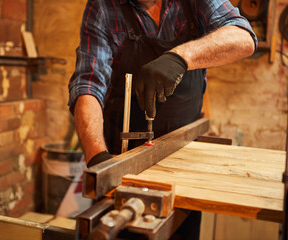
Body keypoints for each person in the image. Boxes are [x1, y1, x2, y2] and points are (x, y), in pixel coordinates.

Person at [69, 1, 256, 237]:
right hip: (124, 160)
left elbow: (243, 37)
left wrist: (180, 57)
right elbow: (88, 83)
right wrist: (98, 158)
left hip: (184, 158)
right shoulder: (103, 7)